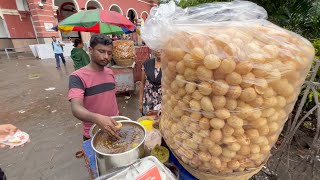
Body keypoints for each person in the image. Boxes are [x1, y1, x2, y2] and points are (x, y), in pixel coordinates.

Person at [68, 34, 121, 141]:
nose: (106, 56)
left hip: (114, 128)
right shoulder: (77, 77)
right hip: (94, 134)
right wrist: (97, 118)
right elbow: (76, 108)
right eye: (101, 51)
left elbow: (110, 100)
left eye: (109, 53)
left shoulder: (110, 72)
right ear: (90, 50)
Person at [139, 50, 162, 115]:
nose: (158, 50)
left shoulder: (168, 66)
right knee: (147, 121)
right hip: (148, 100)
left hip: (161, 102)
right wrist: (140, 101)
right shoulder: (147, 64)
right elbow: (142, 83)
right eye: (156, 48)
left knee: (159, 122)